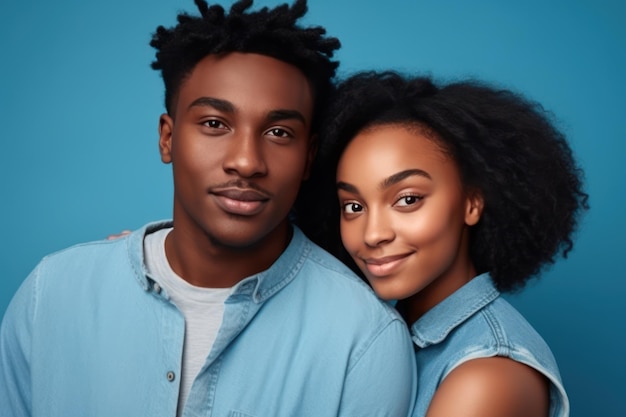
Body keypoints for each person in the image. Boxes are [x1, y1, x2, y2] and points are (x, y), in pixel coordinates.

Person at [0, 3, 417, 416]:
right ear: (167, 138)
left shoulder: (364, 339)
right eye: (215, 124)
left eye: (278, 132)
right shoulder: (51, 295)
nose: (247, 161)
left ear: (308, 157)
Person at [301, 71, 588, 417]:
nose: (372, 233)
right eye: (354, 206)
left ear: (472, 202)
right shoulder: (380, 334)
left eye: (407, 200)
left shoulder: (487, 375)